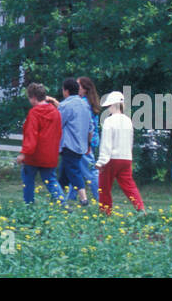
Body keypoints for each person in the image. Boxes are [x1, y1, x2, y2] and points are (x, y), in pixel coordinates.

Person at [95, 90, 145, 214]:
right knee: (129, 186)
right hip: (126, 158)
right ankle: (141, 209)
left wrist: (101, 162)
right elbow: (130, 141)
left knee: (104, 188)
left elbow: (106, 143)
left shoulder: (109, 121)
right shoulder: (128, 121)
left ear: (112, 105)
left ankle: (105, 213)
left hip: (111, 159)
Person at [18, 82, 63, 203]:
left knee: (28, 181)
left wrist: (24, 153)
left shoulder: (34, 113)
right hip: (50, 154)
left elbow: (31, 135)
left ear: (33, 97)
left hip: (34, 155)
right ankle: (63, 204)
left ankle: (29, 206)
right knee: (51, 180)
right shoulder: (55, 112)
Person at [54, 78, 93, 206]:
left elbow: (58, 124)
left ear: (66, 91)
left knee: (74, 170)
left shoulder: (66, 105)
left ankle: (84, 199)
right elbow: (90, 128)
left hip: (69, 144)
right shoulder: (86, 105)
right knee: (64, 174)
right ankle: (56, 198)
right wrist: (88, 144)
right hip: (82, 145)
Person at [76, 77, 101, 205]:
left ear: (85, 89)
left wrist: (88, 144)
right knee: (76, 170)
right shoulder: (89, 102)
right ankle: (73, 198)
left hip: (85, 143)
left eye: (78, 86)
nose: (76, 88)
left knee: (91, 172)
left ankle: (101, 199)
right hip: (88, 142)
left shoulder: (84, 104)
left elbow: (87, 126)